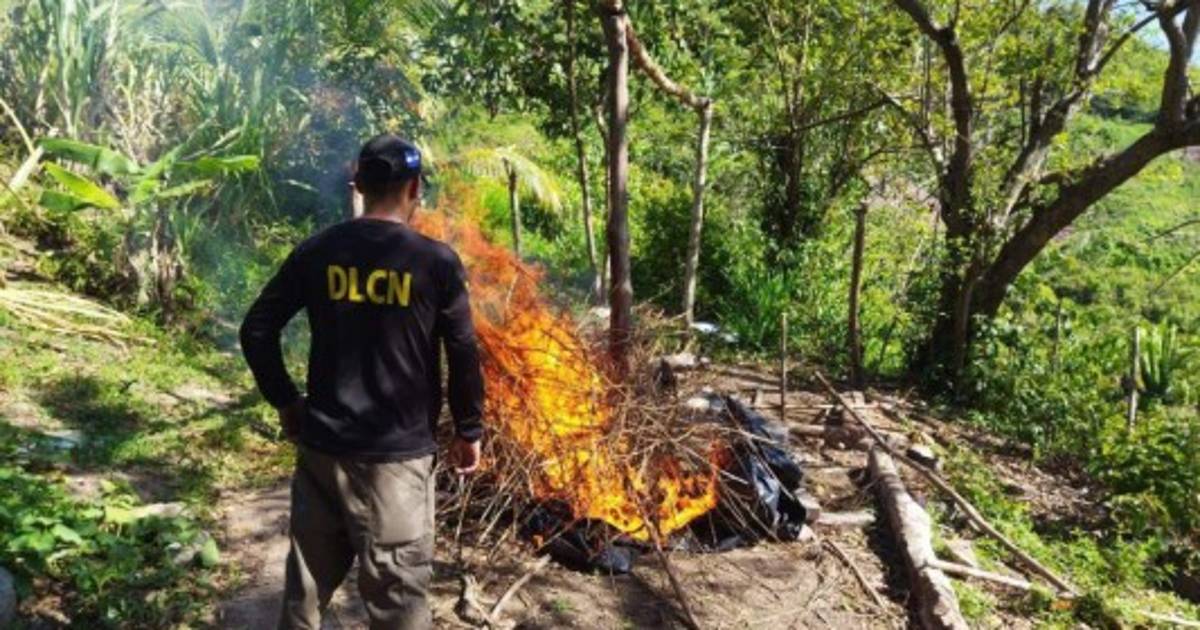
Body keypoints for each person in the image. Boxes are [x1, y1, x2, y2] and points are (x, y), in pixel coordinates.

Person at [239, 134, 484, 630]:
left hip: (322, 454)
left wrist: (286, 402)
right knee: (399, 608)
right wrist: (469, 429)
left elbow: (257, 329)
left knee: (303, 600)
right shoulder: (436, 262)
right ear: (414, 188)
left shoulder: (318, 250)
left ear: (359, 186)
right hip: (395, 466)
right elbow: (462, 351)